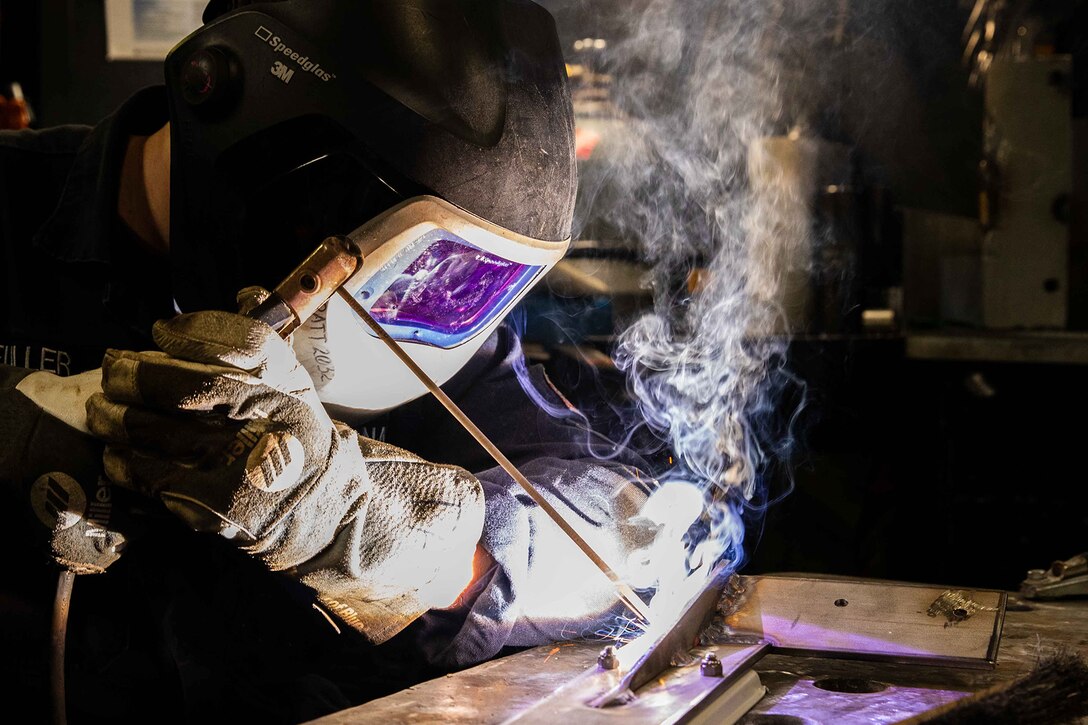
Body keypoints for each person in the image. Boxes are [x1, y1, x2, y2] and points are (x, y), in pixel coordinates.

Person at [0, 1, 662, 722]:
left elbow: (622, 534)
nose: (409, 317)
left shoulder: (430, 318)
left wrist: (387, 531)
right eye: (405, 258)